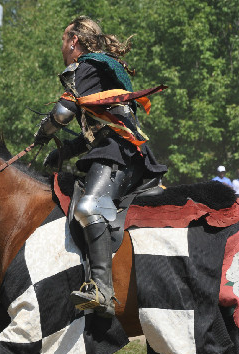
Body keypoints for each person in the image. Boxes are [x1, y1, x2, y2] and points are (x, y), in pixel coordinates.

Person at [33, 16, 167, 316]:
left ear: (73, 41)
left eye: (63, 41)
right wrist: (65, 150)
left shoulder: (88, 64)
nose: (62, 49)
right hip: (117, 149)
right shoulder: (100, 67)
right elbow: (100, 130)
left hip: (119, 154)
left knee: (89, 207)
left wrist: (42, 135)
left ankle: (102, 290)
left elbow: (63, 112)